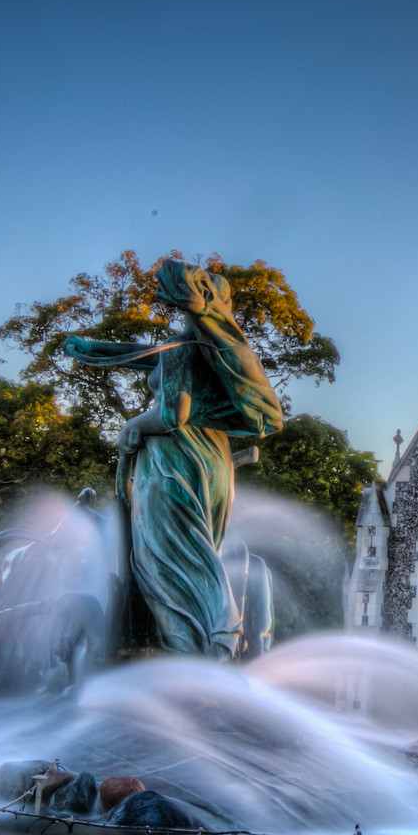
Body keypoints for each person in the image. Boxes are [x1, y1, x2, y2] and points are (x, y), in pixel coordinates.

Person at [62, 259, 283, 656]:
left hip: (172, 464)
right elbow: (150, 354)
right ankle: (211, 645)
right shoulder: (211, 348)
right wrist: (94, 350)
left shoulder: (185, 352)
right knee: (199, 551)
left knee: (169, 560)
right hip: (211, 463)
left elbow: (171, 414)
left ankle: (203, 643)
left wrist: (131, 428)